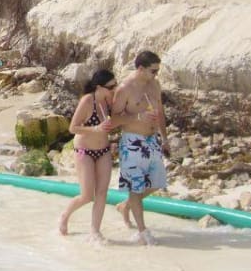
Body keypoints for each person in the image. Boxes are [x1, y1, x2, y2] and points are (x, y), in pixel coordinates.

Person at [110, 50, 169, 245]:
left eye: (158, 71)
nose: (156, 75)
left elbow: (160, 111)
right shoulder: (125, 88)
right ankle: (143, 231)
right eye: (153, 71)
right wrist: (137, 117)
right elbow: (114, 118)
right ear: (141, 68)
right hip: (133, 142)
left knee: (157, 182)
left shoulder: (154, 84)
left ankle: (126, 206)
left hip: (151, 140)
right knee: (135, 188)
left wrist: (165, 137)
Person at [58, 69, 118, 242]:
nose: (114, 88)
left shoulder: (108, 101)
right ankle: (65, 215)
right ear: (99, 87)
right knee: (86, 195)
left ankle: (95, 231)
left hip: (103, 150)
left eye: (115, 85)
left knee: (102, 193)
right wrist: (95, 129)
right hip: (84, 151)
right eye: (111, 86)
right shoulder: (87, 101)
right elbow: (73, 128)